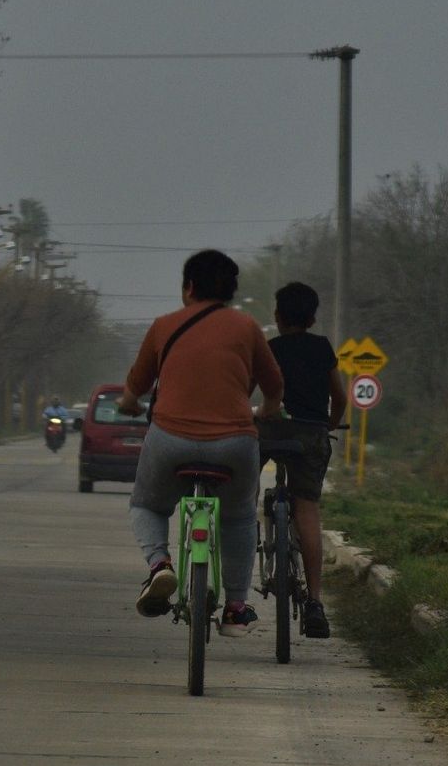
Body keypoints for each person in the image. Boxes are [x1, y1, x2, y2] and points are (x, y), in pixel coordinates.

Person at [118, 249, 284, 636]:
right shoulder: (247, 328)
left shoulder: (163, 326)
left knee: (146, 504)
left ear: (188, 287)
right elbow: (274, 387)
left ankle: (160, 566)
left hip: (170, 440)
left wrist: (128, 404)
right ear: (230, 290)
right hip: (235, 443)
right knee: (240, 515)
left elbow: (134, 388)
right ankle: (237, 607)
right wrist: (268, 410)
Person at [262, 281, 347, 639]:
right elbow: (339, 398)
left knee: (242, 486)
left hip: (273, 431)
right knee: (307, 509)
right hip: (312, 435)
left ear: (277, 316)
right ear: (313, 318)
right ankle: (315, 602)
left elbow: (258, 393)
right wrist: (327, 424)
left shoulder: (270, 349)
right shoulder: (322, 347)